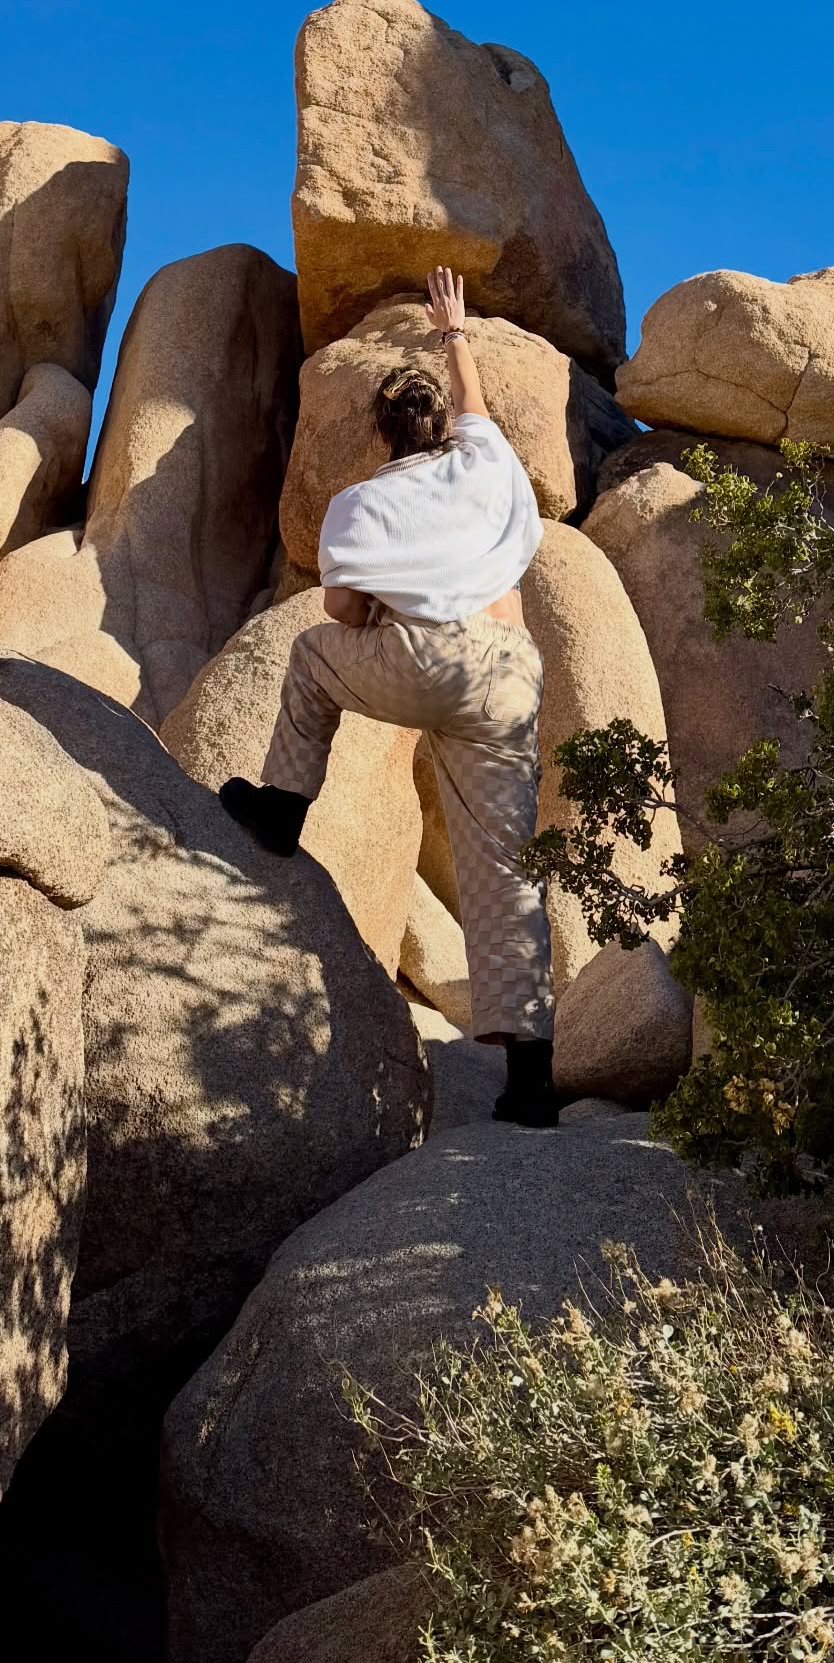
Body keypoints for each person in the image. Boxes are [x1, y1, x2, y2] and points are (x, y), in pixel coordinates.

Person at [221, 266, 559, 1128]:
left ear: (383, 434)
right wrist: (455, 332)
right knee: (506, 868)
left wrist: (376, 598)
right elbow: (477, 404)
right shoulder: (486, 459)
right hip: (508, 676)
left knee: (310, 657)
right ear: (445, 425)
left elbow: (341, 609)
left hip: (424, 664)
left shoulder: (365, 503)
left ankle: (284, 810)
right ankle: (531, 1082)